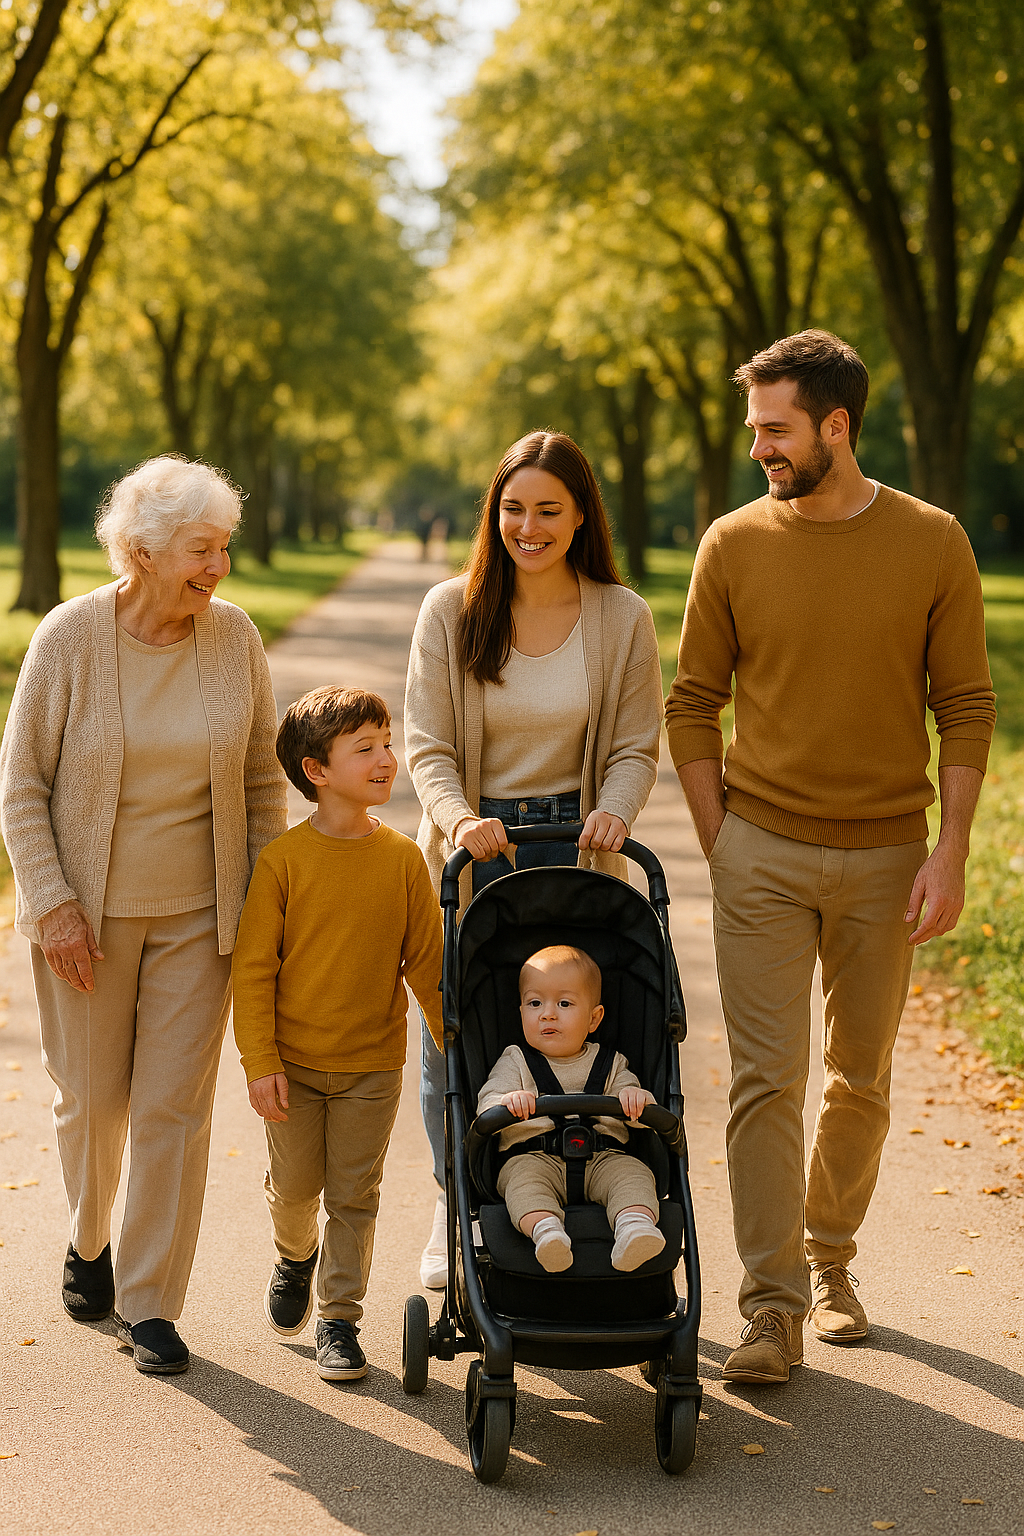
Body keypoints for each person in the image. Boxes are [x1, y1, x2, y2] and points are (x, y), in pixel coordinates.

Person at [665, 331, 996, 1385]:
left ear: (835, 427)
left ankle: (831, 1259)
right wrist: (723, 842)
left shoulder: (932, 541)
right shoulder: (731, 543)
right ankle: (771, 1310)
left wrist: (948, 855)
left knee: (859, 1078)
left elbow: (967, 708)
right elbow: (691, 705)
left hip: (886, 859)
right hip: (760, 849)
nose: (758, 446)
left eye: (775, 428)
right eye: (755, 426)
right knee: (765, 1081)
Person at [0, 456, 287, 1375]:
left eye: (224, 549)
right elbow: (22, 784)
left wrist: (256, 913)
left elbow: (258, 781)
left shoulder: (234, 638)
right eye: (202, 550)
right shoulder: (71, 635)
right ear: (142, 551)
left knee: (173, 1109)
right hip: (84, 919)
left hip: (201, 920)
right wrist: (52, 906)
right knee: (91, 1104)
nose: (218, 567)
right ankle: (89, 1238)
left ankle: (151, 1300)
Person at [404, 429, 664, 1290]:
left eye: (549, 509)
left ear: (580, 514)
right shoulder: (452, 609)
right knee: (458, 1034)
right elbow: (428, 745)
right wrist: (459, 818)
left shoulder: (621, 615)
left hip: (582, 853)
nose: (529, 526)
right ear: (494, 514)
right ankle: (456, 1202)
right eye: (513, 508)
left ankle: (593, 1193)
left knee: (578, 1022)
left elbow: (633, 746)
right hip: (475, 851)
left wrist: (615, 813)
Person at [232, 686, 443, 1383]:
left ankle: (339, 1322)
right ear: (317, 771)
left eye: (387, 743)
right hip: (291, 1065)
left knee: (355, 1196)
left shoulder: (404, 860)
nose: (387, 759)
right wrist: (260, 1061)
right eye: (367, 748)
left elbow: (428, 967)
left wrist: (458, 1044)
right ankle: (295, 1256)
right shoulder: (284, 862)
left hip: (370, 1067)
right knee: (296, 1193)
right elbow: (254, 971)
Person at [477, 945, 666, 1273]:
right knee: (522, 1184)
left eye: (564, 1003)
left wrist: (638, 1101)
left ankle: (635, 1229)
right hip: (534, 1158)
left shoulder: (611, 1064)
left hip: (604, 1158)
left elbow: (641, 1116)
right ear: (520, 1010)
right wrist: (508, 1102)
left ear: (594, 1019)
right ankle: (547, 1233)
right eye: (535, 1003)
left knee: (634, 1176)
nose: (547, 1014)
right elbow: (486, 1108)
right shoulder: (516, 1062)